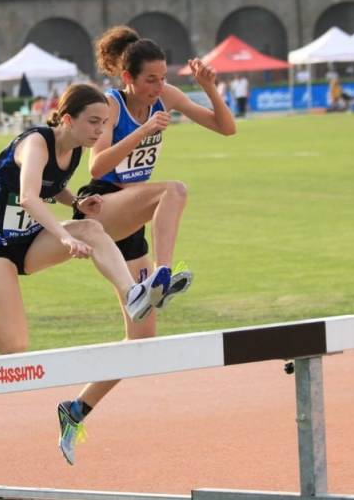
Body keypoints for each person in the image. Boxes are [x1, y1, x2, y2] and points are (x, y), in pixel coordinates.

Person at [55, 25, 236, 465]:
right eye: (151, 80)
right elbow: (97, 162)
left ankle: (76, 408)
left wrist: (211, 90)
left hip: (130, 222)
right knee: (173, 190)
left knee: (142, 341)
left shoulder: (166, 96)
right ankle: (164, 274)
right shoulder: (111, 107)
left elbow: (224, 128)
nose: (160, 87)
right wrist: (144, 130)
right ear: (127, 79)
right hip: (102, 209)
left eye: (164, 77)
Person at [0, 82, 180, 368]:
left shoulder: (73, 148)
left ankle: (133, 294)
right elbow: (28, 197)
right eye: (93, 122)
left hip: (27, 239)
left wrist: (75, 203)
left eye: (105, 123)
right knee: (12, 343)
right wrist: (64, 237)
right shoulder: (36, 143)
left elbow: (53, 184)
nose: (100, 131)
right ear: (68, 119)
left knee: (90, 229)